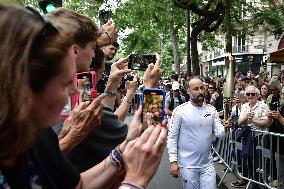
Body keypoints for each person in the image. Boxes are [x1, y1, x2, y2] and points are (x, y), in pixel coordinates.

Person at [0, 4, 167, 189]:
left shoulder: (38, 133)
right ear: (24, 86)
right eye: (65, 82)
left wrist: (121, 151)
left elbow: (78, 185)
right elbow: (136, 125)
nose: (75, 91)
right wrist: (134, 182)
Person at [167, 78, 231, 189]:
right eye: (196, 89)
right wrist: (173, 161)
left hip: (207, 164)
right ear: (188, 91)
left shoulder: (212, 110)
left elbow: (219, 134)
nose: (200, 91)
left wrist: (225, 128)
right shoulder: (180, 111)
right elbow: (172, 137)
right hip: (188, 165)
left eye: (202, 88)